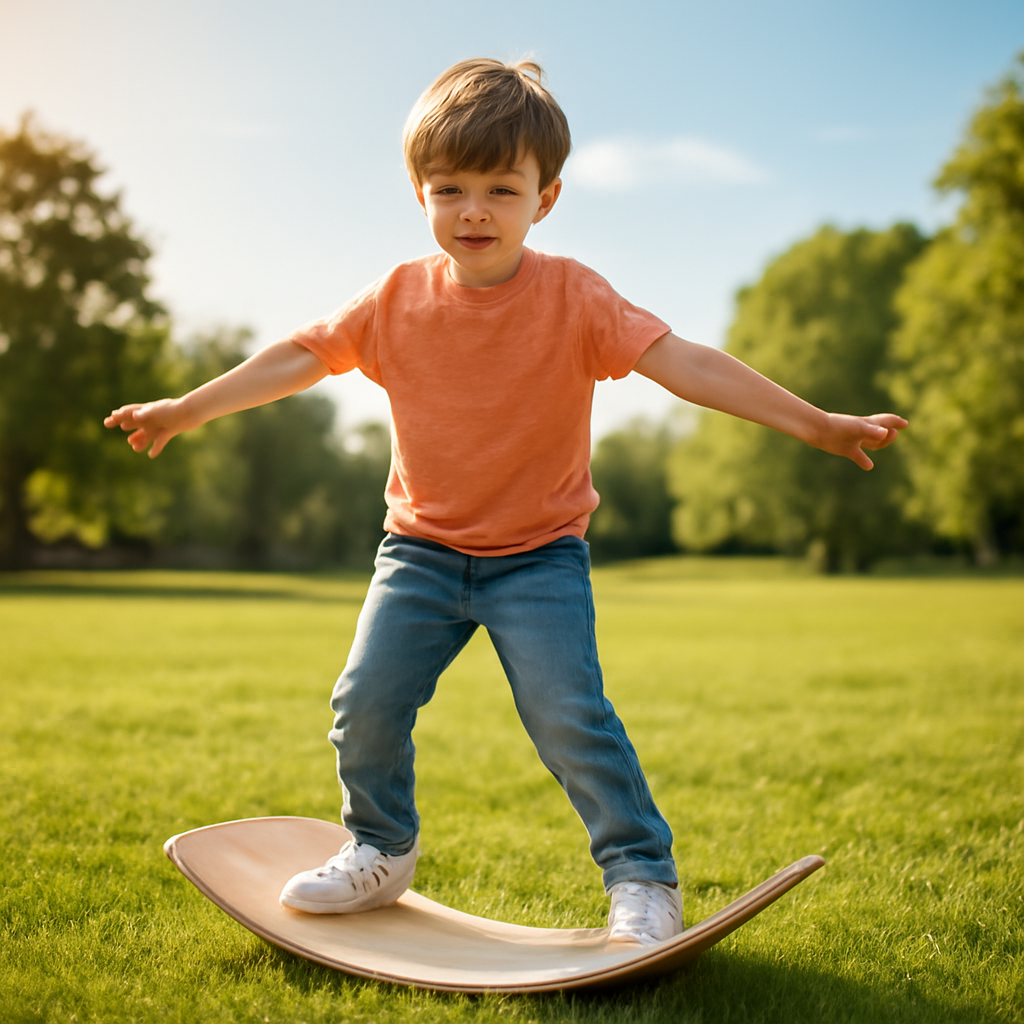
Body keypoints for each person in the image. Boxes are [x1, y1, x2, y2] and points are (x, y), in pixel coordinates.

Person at [105, 58, 905, 945]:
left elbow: (687, 363)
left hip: (539, 557)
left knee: (569, 716)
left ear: (545, 197)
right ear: (419, 192)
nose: (474, 210)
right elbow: (299, 356)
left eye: (500, 188)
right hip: (418, 552)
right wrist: (188, 409)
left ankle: (642, 876)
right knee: (363, 702)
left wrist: (816, 423)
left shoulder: (576, 297)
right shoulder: (396, 298)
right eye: (449, 188)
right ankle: (379, 847)